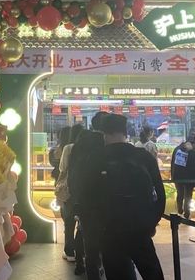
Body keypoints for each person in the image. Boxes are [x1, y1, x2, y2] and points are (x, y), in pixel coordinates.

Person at [79, 114, 166, 280]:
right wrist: (150, 222)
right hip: (140, 229)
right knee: (152, 274)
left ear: (104, 133)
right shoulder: (143, 156)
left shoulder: (96, 158)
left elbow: (87, 197)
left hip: (109, 232)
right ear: (125, 132)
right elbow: (160, 195)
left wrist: (96, 228)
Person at [68, 129, 106, 277]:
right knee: (102, 243)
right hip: (101, 207)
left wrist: (76, 202)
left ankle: (88, 268)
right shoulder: (100, 157)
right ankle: (100, 267)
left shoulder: (77, 155)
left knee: (88, 244)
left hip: (84, 206)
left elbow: (72, 181)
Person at [55, 124, 85, 262]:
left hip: (69, 188)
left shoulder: (68, 148)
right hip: (83, 188)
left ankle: (69, 252)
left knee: (69, 222)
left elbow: (63, 168)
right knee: (82, 221)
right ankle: (81, 251)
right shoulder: (86, 147)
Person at [171, 136, 195, 218]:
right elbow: (194, 165)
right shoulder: (191, 152)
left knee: (180, 194)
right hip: (189, 178)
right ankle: (186, 214)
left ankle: (180, 211)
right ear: (191, 143)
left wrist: (173, 176)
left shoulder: (177, 149)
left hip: (178, 177)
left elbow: (173, 164)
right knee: (188, 196)